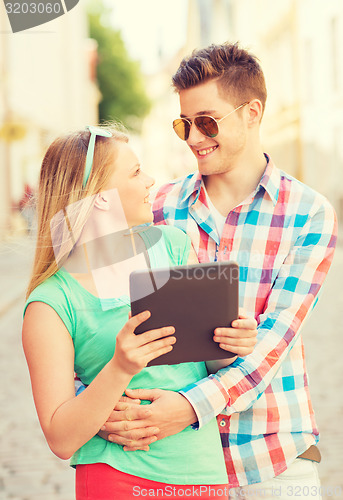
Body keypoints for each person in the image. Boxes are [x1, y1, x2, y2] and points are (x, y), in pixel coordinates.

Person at [99, 43, 338, 499]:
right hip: (174, 463)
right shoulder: (159, 206)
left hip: (271, 459)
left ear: (252, 112)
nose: (192, 138)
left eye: (207, 122)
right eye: (183, 124)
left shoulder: (309, 214)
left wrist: (188, 407)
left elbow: (272, 343)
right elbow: (102, 310)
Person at [22, 124, 258, 500]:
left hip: (201, 472)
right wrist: (120, 367)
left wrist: (230, 343)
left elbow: (205, 362)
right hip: (116, 478)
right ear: (100, 197)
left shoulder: (174, 247)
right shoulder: (51, 304)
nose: (150, 181)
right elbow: (61, 438)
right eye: (135, 172)